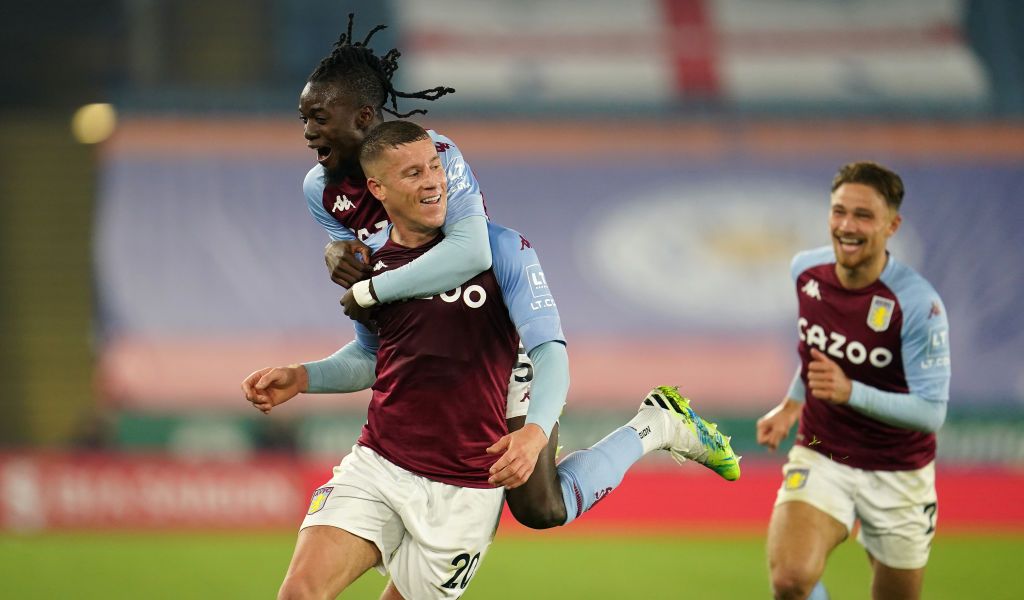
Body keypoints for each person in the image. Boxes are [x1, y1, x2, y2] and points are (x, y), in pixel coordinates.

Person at [244, 122, 739, 599]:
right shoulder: (369, 264)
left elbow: (551, 353)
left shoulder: (503, 249)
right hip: (378, 465)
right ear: (377, 188)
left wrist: (535, 430)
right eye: (412, 173)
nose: (433, 180)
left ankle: (654, 427)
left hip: (466, 486)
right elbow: (374, 359)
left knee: (543, 508)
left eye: (435, 167)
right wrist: (304, 376)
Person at [294, 14, 738, 534]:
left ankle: (657, 424)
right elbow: (366, 292)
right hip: (433, 340)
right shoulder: (318, 191)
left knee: (539, 507)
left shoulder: (432, 154)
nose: (307, 132)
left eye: (319, 117)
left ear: (364, 116)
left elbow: (470, 253)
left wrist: (371, 287)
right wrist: (338, 255)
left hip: (492, 334)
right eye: (303, 117)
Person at [756, 161, 951, 600]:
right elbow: (817, 353)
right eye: (839, 211)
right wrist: (792, 405)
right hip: (823, 451)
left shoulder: (918, 304)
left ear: (891, 225)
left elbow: (931, 413)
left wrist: (851, 392)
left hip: (899, 471)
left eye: (863, 215)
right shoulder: (806, 272)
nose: (847, 225)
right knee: (790, 580)